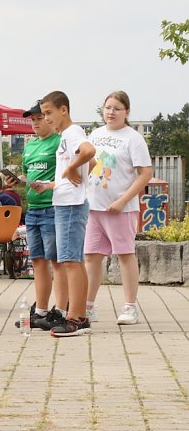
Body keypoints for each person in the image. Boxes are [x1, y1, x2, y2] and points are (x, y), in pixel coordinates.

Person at [84, 91, 152, 325]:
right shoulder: (94, 134)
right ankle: (88, 307)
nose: (111, 112)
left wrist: (123, 200)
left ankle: (130, 307)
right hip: (94, 208)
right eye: (108, 108)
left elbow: (145, 173)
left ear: (127, 112)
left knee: (124, 254)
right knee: (91, 257)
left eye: (116, 109)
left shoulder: (133, 138)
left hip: (120, 208)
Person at [6, 101, 68, 331]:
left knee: (57, 261)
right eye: (31, 119)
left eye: (39, 118)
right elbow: (25, 173)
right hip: (32, 209)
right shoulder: (29, 147)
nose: (35, 122)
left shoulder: (60, 142)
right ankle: (41, 310)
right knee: (37, 261)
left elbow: (68, 174)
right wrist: (14, 181)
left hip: (53, 207)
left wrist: (48, 186)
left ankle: (61, 310)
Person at [39, 90, 96, 337]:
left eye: (49, 113)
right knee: (73, 261)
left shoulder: (72, 132)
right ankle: (79, 315)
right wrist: (56, 182)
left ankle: (76, 318)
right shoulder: (65, 136)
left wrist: (73, 167)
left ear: (63, 110)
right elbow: (92, 165)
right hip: (66, 201)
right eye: (43, 114)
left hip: (71, 205)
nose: (46, 118)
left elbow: (90, 152)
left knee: (71, 262)